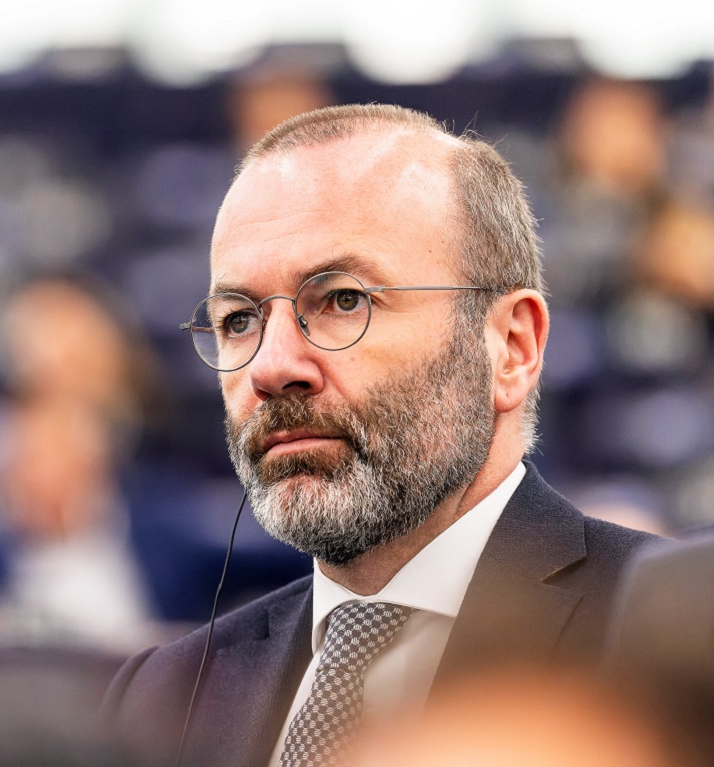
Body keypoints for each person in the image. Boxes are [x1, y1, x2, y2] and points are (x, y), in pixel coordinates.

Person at [105, 104, 661, 767]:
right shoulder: (159, 698)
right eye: (238, 319)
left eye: (343, 300)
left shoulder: (680, 640)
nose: (271, 367)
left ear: (511, 348)